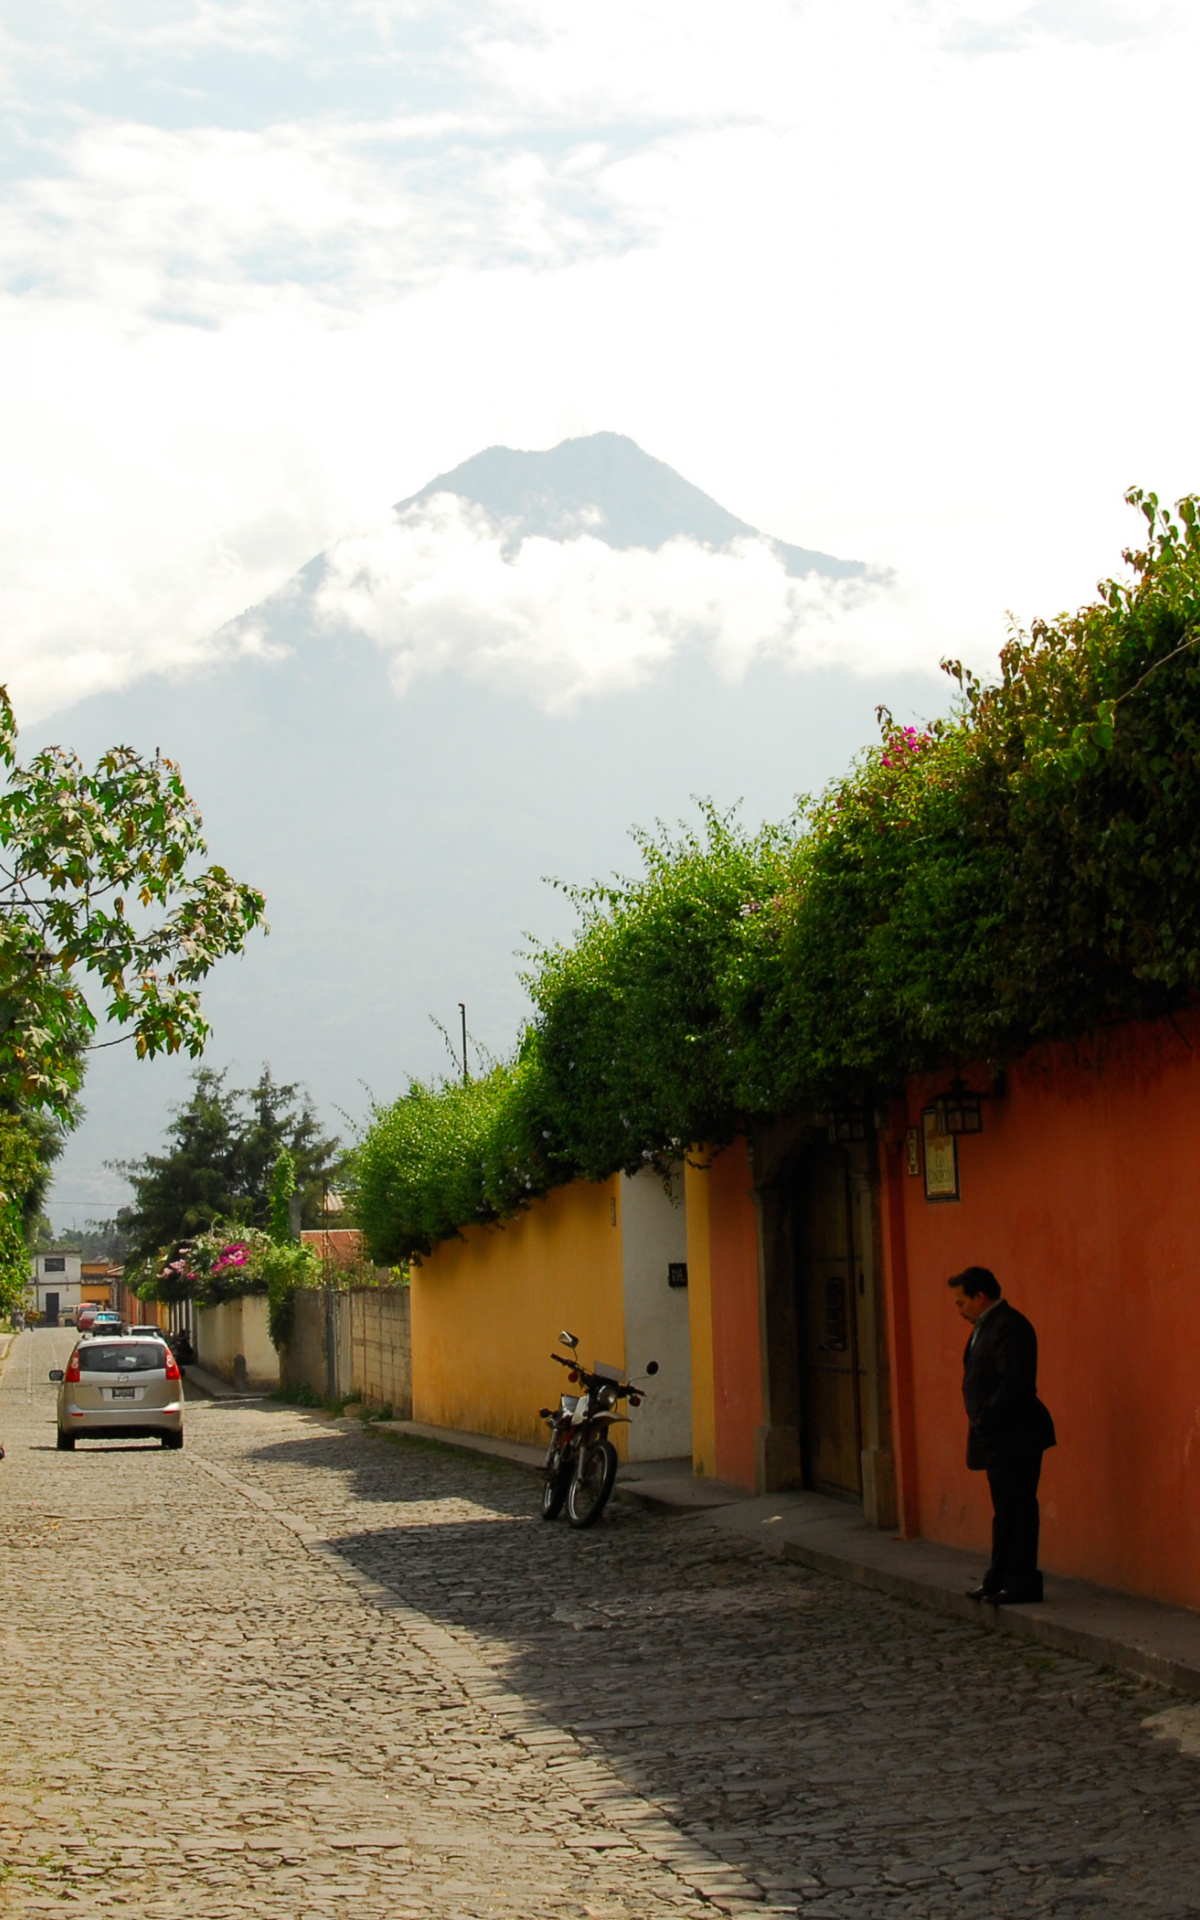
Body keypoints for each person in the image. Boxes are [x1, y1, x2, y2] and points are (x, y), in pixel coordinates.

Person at [949, 1266, 1056, 1605]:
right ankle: (999, 1577)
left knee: (1018, 1508)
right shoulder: (986, 1327)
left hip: (1015, 1434)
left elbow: (1016, 1385)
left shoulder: (1010, 1327)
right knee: (1005, 1509)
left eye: (962, 1301)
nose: (959, 1309)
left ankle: (1021, 1581)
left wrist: (985, 1417)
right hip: (997, 1434)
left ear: (980, 1297)